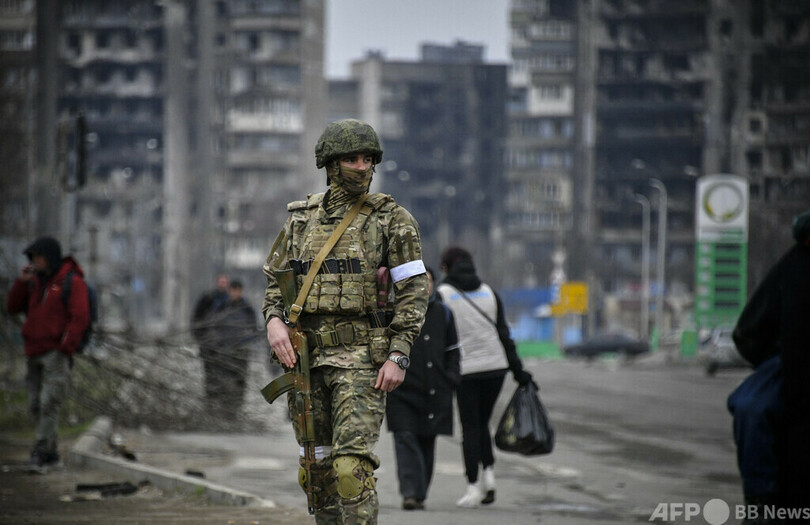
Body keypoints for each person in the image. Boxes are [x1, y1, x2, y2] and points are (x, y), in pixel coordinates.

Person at [263, 118, 429, 524]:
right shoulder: (301, 219)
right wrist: (273, 321)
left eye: (368, 159)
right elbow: (275, 284)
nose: (362, 166)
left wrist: (399, 353)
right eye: (352, 158)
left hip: (361, 360)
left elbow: (414, 291)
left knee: (349, 471)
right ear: (331, 164)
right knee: (315, 471)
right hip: (306, 361)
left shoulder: (392, 219)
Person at [436, 246, 534, 508]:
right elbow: (504, 334)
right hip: (496, 369)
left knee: (470, 428)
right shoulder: (489, 292)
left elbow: (439, 337)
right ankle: (489, 478)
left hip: (465, 370)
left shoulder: (443, 294)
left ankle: (472, 487)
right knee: (483, 425)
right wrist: (519, 372)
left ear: (445, 267)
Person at [732, 208, 810, 515]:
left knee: (750, 407)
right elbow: (750, 331)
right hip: (791, 366)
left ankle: (760, 502)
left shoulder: (793, 265)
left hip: (790, 368)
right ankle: (760, 499)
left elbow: (748, 331)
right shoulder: (795, 267)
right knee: (749, 405)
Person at [6, 236, 90, 469]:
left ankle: (41, 450)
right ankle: (50, 452)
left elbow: (80, 317)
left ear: (49, 257)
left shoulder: (71, 282)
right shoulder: (34, 283)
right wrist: (21, 282)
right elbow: (13, 307)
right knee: (35, 404)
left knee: (49, 402)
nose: (34, 262)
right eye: (32, 258)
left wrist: (66, 346)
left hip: (56, 353)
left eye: (38, 257)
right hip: (34, 351)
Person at [385, 267, 460, 511]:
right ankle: (410, 493)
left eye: (427, 281)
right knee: (405, 436)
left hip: (435, 390)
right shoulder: (396, 311)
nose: (423, 286)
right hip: (402, 390)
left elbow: (453, 351)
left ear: (434, 284)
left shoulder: (444, 313)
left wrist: (451, 378)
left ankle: (419, 492)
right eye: (418, 281)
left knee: (427, 441)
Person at [210, 280, 259, 420]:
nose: (235, 293)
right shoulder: (222, 307)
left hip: (241, 351)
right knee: (224, 379)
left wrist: (247, 342)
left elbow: (254, 328)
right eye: (233, 290)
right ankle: (224, 409)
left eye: (238, 290)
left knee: (240, 380)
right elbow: (214, 325)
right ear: (230, 290)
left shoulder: (247, 308)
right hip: (225, 350)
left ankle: (236, 409)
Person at [191, 274, 232, 419]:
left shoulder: (230, 301)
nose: (222, 284)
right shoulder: (208, 299)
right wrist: (200, 338)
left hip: (226, 348)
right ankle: (210, 405)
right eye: (221, 282)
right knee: (210, 376)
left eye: (225, 282)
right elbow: (196, 319)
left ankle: (223, 407)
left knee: (225, 377)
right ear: (217, 283)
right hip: (209, 346)